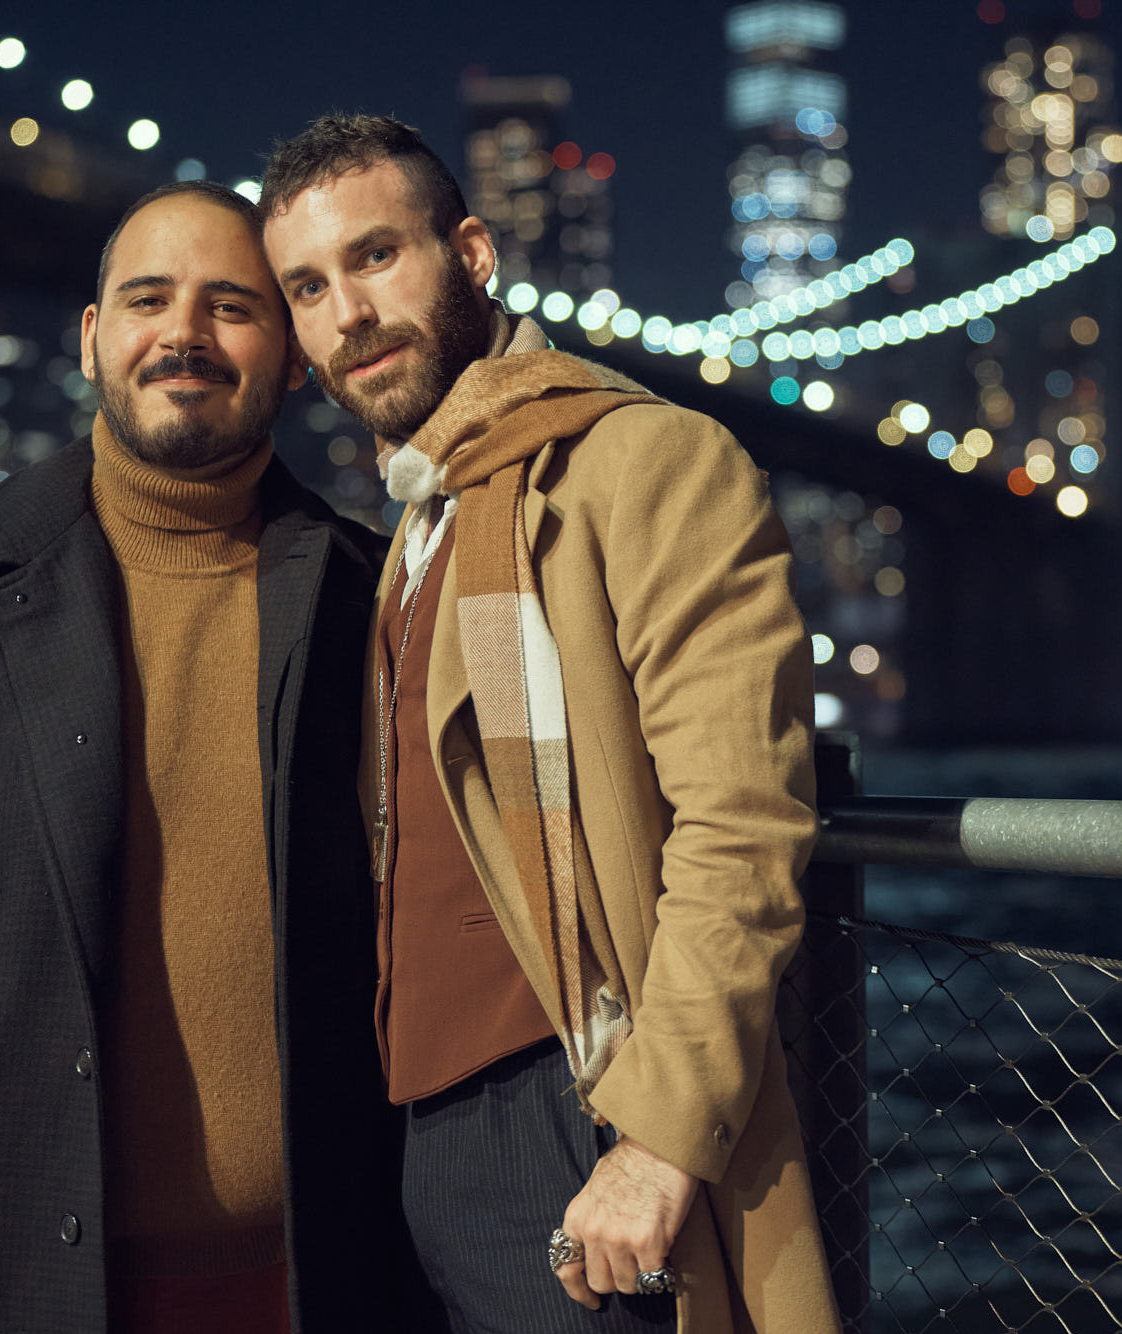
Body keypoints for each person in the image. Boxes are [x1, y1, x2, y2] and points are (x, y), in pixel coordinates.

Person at [0, 180, 401, 1333]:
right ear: (91, 337)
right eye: (147, 299)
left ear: (295, 354)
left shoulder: (369, 592)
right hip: (11, 1267)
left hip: (315, 1276)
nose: (183, 334)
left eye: (230, 306)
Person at [259, 114, 842, 1334]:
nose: (346, 315)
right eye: (307, 287)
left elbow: (741, 822)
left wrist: (656, 1136)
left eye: (375, 257)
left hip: (576, 1115)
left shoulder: (646, 463)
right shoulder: (411, 530)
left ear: (470, 252)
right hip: (411, 1134)